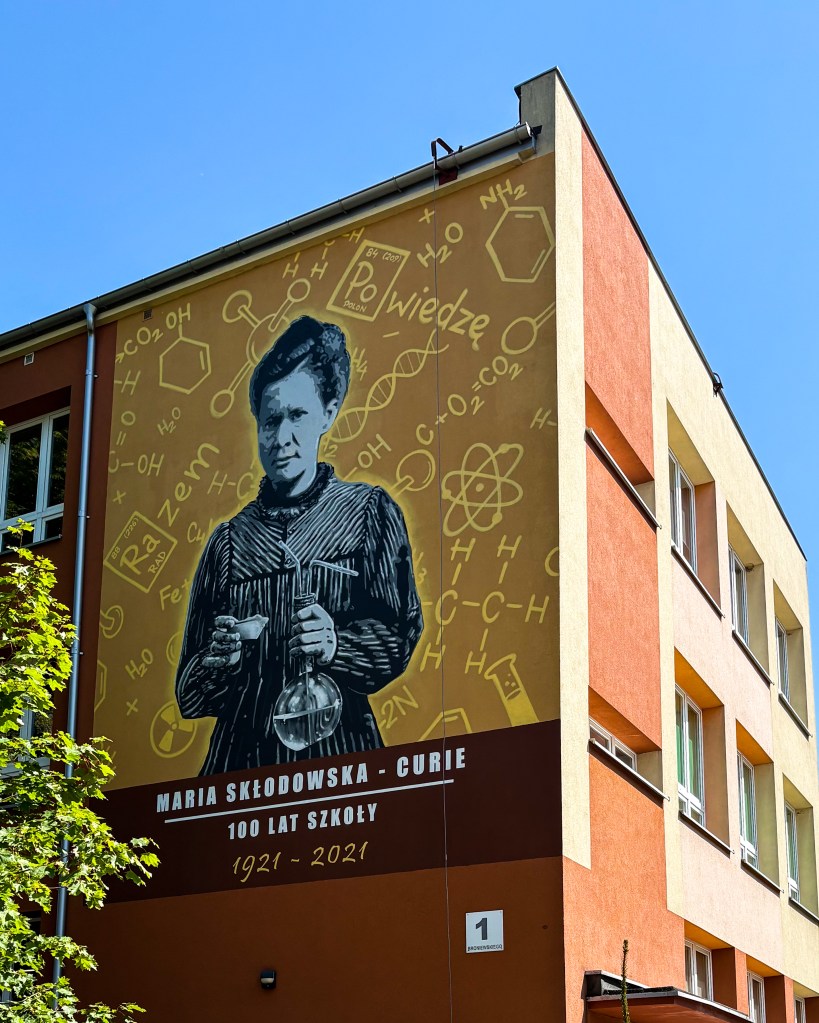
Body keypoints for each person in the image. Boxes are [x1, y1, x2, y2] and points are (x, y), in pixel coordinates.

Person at [175, 316, 423, 775]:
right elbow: (188, 696)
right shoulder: (228, 543)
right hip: (240, 778)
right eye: (270, 420)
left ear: (329, 412)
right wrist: (217, 663)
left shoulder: (368, 513)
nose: (281, 438)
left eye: (298, 416)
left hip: (341, 768)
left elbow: (400, 635)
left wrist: (336, 645)